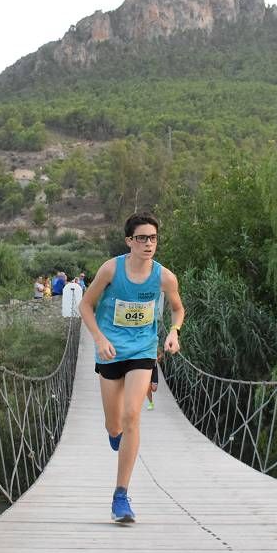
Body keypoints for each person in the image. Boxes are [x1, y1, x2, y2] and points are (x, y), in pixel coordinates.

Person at [79, 212, 184, 524]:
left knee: (132, 415)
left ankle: (121, 495)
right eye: (142, 238)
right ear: (129, 241)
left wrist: (173, 332)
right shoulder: (112, 269)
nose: (148, 243)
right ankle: (116, 434)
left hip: (142, 349)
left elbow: (178, 309)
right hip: (110, 350)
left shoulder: (165, 277)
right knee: (115, 426)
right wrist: (98, 339)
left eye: (152, 238)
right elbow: (86, 305)